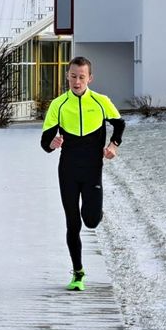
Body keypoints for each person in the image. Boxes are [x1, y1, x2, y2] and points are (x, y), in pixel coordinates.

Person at [40, 56, 125, 291]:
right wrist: (53, 143)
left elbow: (119, 124)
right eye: (73, 76)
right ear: (67, 76)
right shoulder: (58, 104)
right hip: (67, 171)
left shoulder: (100, 101)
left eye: (81, 77)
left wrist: (113, 146)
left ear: (90, 78)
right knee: (72, 223)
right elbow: (44, 141)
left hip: (91, 170)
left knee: (91, 220)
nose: (77, 81)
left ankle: (96, 211)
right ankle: (78, 273)